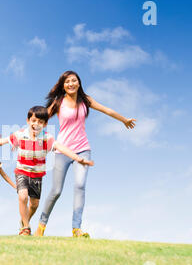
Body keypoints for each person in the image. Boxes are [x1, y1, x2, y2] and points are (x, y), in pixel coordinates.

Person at [35, 71, 136, 238]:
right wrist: (38, 137)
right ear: (63, 85)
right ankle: (41, 226)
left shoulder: (85, 100)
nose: (71, 84)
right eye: (67, 82)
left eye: (74, 81)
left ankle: (76, 229)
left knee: (80, 186)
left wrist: (124, 119)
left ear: (79, 83)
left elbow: (106, 110)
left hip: (83, 149)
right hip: (62, 150)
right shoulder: (58, 102)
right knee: (56, 191)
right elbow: (41, 118)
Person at [0, 106, 94, 236]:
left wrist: (77, 158)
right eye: (33, 120)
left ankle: (24, 220)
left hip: (37, 175)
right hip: (22, 171)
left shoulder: (47, 139)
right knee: (23, 196)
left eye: (40, 122)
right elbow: (2, 141)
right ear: (28, 121)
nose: (36, 124)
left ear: (45, 124)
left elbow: (61, 147)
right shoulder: (20, 134)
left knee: (34, 205)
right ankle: (25, 228)